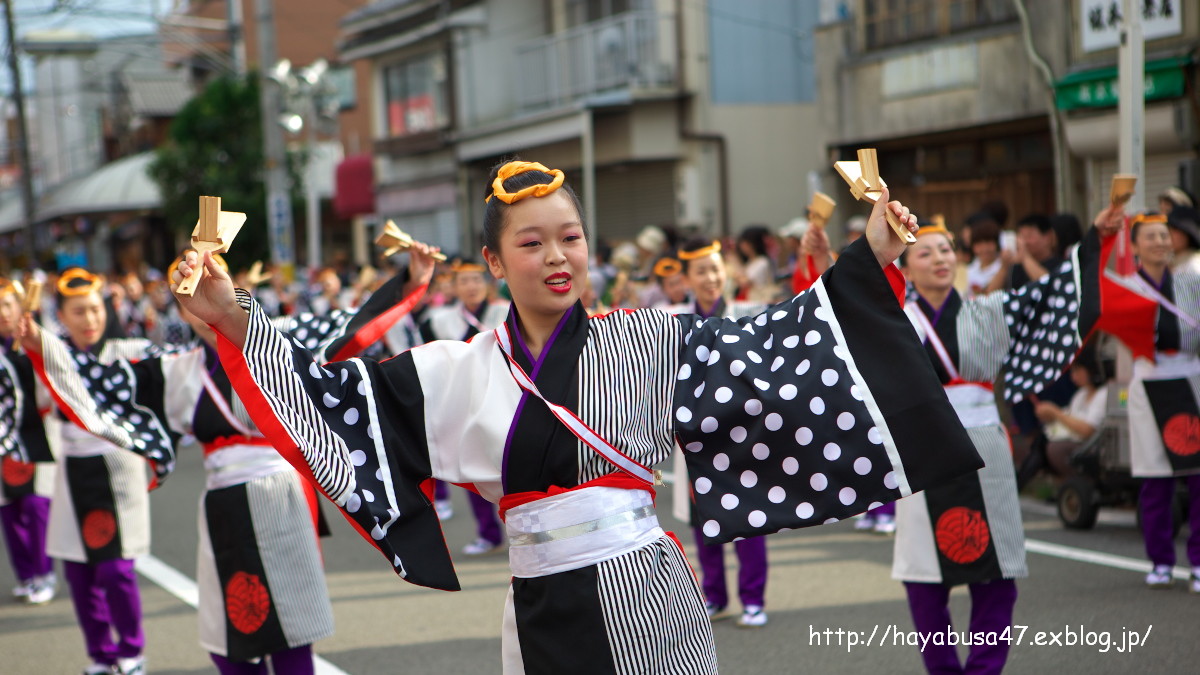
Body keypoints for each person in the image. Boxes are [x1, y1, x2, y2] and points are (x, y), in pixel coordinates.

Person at [172, 159, 983, 673]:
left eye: (570, 237)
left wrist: (868, 256)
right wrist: (237, 317)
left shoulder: (653, 337)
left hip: (646, 591)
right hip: (538, 597)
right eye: (531, 243)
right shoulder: (451, 370)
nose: (557, 256)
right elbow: (331, 400)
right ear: (491, 261)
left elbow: (776, 343)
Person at [893, 218, 1105, 674]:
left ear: (960, 258)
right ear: (905, 268)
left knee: (997, 568)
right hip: (923, 445)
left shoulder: (989, 310)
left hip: (985, 443)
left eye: (946, 250)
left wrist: (1094, 241)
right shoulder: (892, 322)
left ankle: (985, 670)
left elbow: (1055, 297)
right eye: (925, 253)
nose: (939, 259)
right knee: (924, 575)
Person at [24, 268, 170, 675]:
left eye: (94, 309)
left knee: (115, 568)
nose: (90, 320)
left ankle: (132, 650)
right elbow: (33, 403)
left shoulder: (131, 351)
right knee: (80, 572)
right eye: (78, 312)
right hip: (73, 469)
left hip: (118, 464)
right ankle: (100, 656)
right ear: (62, 317)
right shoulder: (51, 357)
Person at [1091, 210, 1200, 592]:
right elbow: (1094, 294)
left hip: (1190, 379)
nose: (1160, 242)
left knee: (1198, 475)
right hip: (1149, 379)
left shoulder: (1190, 282)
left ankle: (1199, 562)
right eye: (1150, 237)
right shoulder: (1126, 286)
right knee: (1156, 481)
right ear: (1135, 245)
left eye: (1164, 236)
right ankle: (1161, 560)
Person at [666, 237, 771, 627]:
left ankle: (753, 598)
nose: (711, 278)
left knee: (750, 519)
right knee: (704, 519)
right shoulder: (672, 322)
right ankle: (714, 594)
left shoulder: (747, 312)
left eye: (716, 268)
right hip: (695, 437)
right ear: (687, 278)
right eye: (701, 271)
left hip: (743, 435)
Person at [421, 260, 510, 554]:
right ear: (454, 288)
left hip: (506, 396)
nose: (471, 286)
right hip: (465, 401)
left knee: (516, 467)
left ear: (487, 283)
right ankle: (488, 534)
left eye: (476, 279)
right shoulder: (440, 320)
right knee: (475, 468)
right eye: (464, 281)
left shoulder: (506, 311)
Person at [0, 278, 57, 606]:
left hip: (37, 432)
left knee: (36, 506)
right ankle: (25, 576)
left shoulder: (36, 336)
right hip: (5, 435)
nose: (3, 313)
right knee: (9, 508)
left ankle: (44, 573)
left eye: (8, 305)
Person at [1036, 341, 1110, 480]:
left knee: (1056, 449)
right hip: (1079, 443)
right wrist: (1050, 416)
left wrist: (1055, 413)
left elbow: (1087, 430)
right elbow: (1071, 418)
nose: (1073, 377)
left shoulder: (1103, 395)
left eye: (1077, 370)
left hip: (1094, 448)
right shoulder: (1081, 395)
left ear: (1091, 369)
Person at [965, 219, 1002, 299]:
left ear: (997, 243)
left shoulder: (1004, 265)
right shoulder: (970, 269)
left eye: (988, 242)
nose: (985, 248)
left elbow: (988, 295)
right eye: (979, 244)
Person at [1166, 206, 1200, 275]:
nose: (1170, 234)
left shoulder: (1194, 268)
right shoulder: (1168, 261)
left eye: (1175, 230)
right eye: (1169, 228)